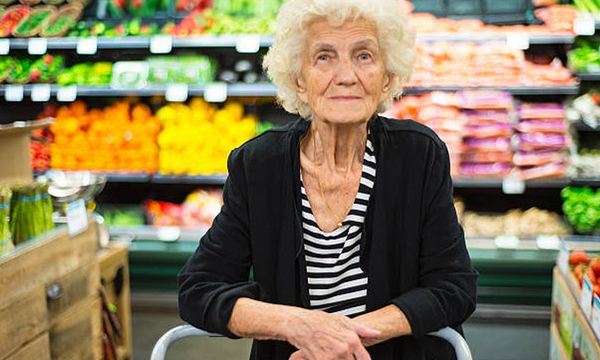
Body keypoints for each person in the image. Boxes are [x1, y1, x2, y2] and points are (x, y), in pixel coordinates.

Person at [178, 0, 478, 359]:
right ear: (299, 81)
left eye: (364, 56)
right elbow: (198, 289)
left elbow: (453, 287)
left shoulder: (419, 155)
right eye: (324, 57)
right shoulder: (259, 166)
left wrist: (347, 338)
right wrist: (296, 325)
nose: (346, 75)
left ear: (387, 78)